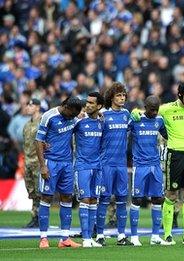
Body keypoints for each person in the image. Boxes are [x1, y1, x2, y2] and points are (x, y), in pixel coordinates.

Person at [136, 82, 184, 244]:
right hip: (175, 155)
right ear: (179, 95)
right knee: (171, 194)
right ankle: (167, 234)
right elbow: (145, 111)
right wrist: (135, 113)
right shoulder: (166, 109)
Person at [36, 96, 83, 249]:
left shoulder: (74, 118)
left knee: (67, 197)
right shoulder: (49, 116)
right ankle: (43, 238)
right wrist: (43, 166)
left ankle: (65, 238)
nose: (72, 117)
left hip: (67, 163)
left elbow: (83, 120)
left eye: (75, 115)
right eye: (71, 113)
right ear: (65, 106)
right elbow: (38, 141)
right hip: (51, 163)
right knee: (46, 197)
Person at [128, 96, 170, 246]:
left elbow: (167, 135)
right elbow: (122, 129)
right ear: (145, 107)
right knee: (137, 199)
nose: (154, 112)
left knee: (158, 198)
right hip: (140, 165)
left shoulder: (159, 121)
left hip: (155, 165)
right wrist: (132, 113)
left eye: (156, 110)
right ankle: (134, 236)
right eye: (151, 109)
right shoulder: (135, 120)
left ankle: (155, 236)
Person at [96, 82, 132, 246]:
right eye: (119, 95)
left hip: (121, 165)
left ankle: (121, 235)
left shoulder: (126, 114)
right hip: (106, 164)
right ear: (111, 97)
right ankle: (100, 235)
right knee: (103, 198)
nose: (122, 98)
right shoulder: (102, 115)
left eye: (124, 95)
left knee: (122, 199)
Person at [74, 92, 104, 248]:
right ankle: (85, 238)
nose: (88, 105)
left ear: (99, 106)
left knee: (94, 200)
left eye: (92, 103)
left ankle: (90, 237)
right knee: (85, 200)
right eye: (87, 102)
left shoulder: (102, 123)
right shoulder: (79, 122)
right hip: (82, 167)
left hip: (97, 167)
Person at [22, 98, 42, 228]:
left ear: (38, 107)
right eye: (28, 105)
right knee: (32, 191)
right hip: (28, 161)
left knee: (40, 191)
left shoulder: (42, 122)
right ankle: (34, 216)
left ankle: (41, 217)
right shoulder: (27, 124)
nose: (29, 107)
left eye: (31, 105)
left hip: (38, 161)